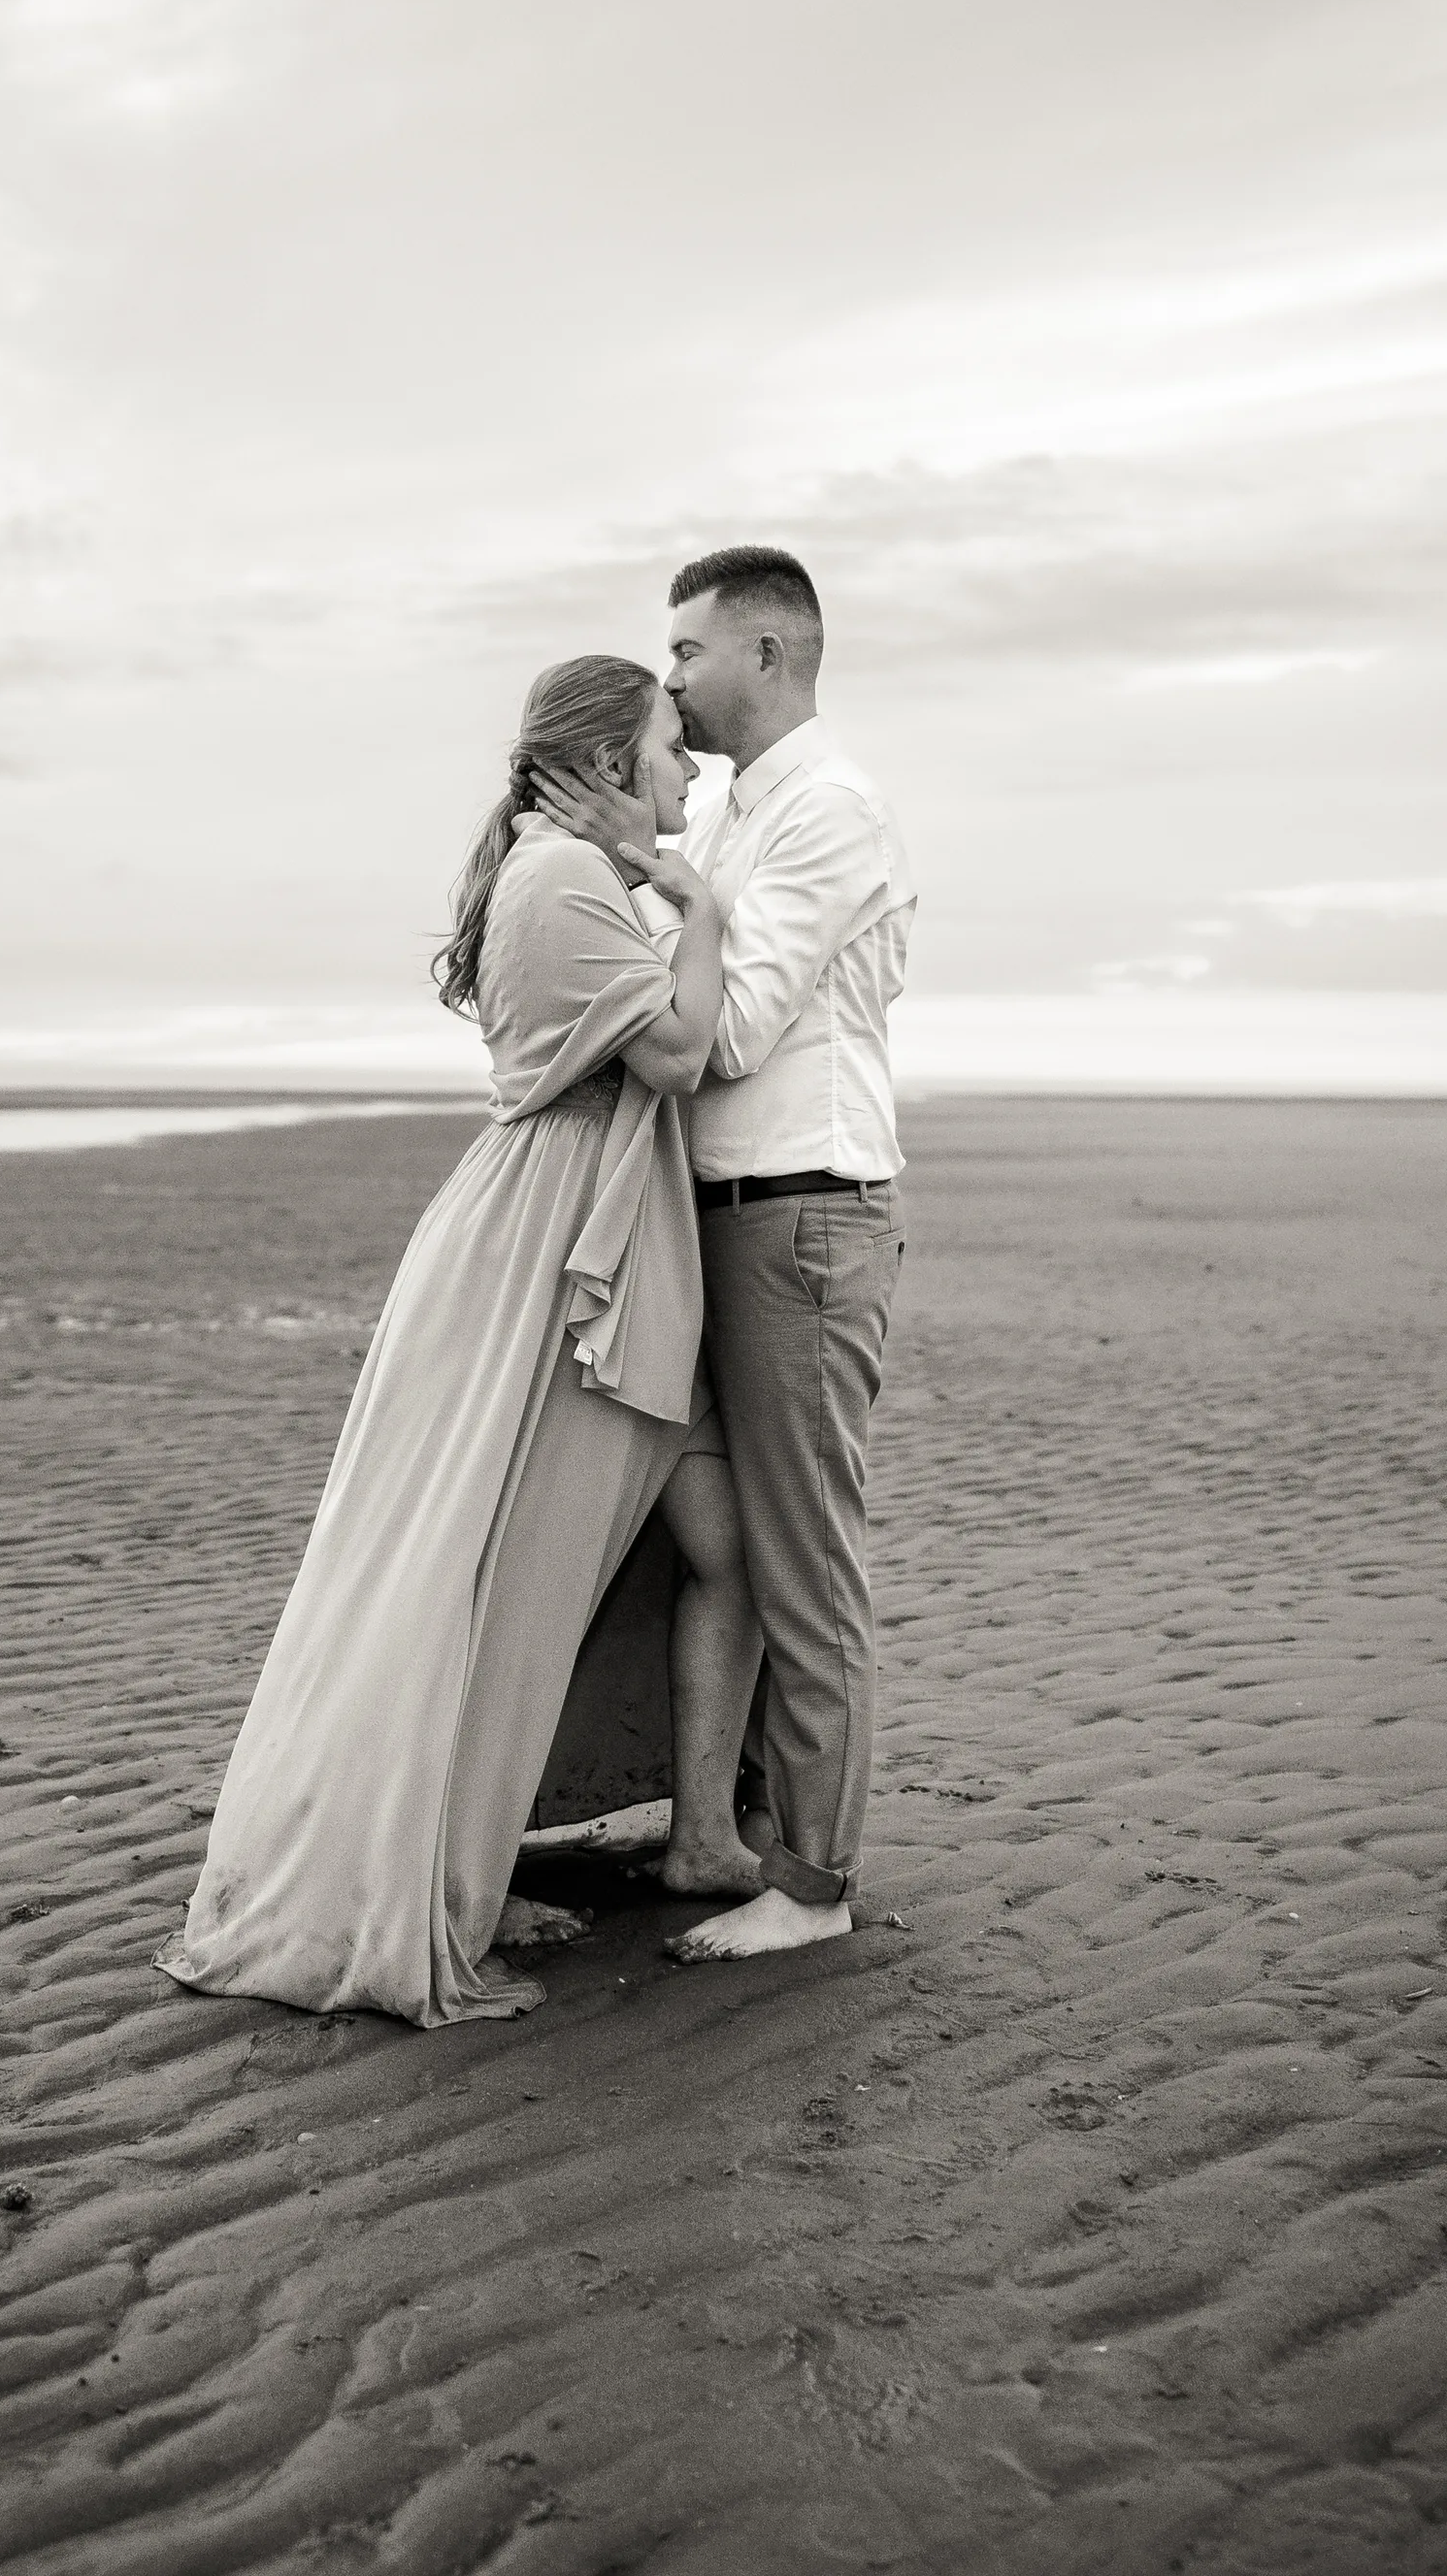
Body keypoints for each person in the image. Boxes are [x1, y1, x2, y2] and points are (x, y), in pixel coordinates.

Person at [156, 655, 756, 2029]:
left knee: (689, 1547)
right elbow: (676, 1054)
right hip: (544, 1249)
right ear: (604, 764)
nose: (690, 769)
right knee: (487, 1580)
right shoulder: (564, 878)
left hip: (583, 1224)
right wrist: (705, 904)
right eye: (670, 745)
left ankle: (670, 1833)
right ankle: (426, 1887)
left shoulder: (569, 871)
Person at [531, 548, 916, 1965]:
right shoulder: (738, 814)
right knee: (710, 1542)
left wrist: (648, 881)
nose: (671, 674)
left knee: (806, 1561)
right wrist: (652, 879)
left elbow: (731, 1033)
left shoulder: (829, 812)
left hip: (798, 1218)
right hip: (711, 1220)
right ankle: (722, 1825)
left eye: (688, 649)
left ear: (766, 653)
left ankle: (814, 1887)